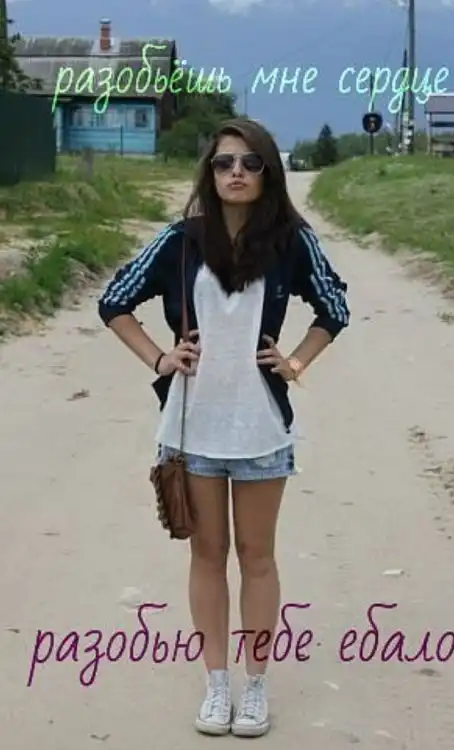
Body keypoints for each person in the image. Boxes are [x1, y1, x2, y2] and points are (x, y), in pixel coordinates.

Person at [98, 117, 350, 737]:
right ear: (209, 173)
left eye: (249, 163)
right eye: (223, 163)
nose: (236, 172)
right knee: (207, 557)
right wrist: (160, 358)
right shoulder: (180, 241)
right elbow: (114, 300)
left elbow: (335, 306)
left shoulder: (292, 241)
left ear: (268, 172)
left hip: (261, 431)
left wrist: (295, 363)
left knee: (257, 558)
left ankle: (255, 686)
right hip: (192, 433)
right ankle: (217, 685)